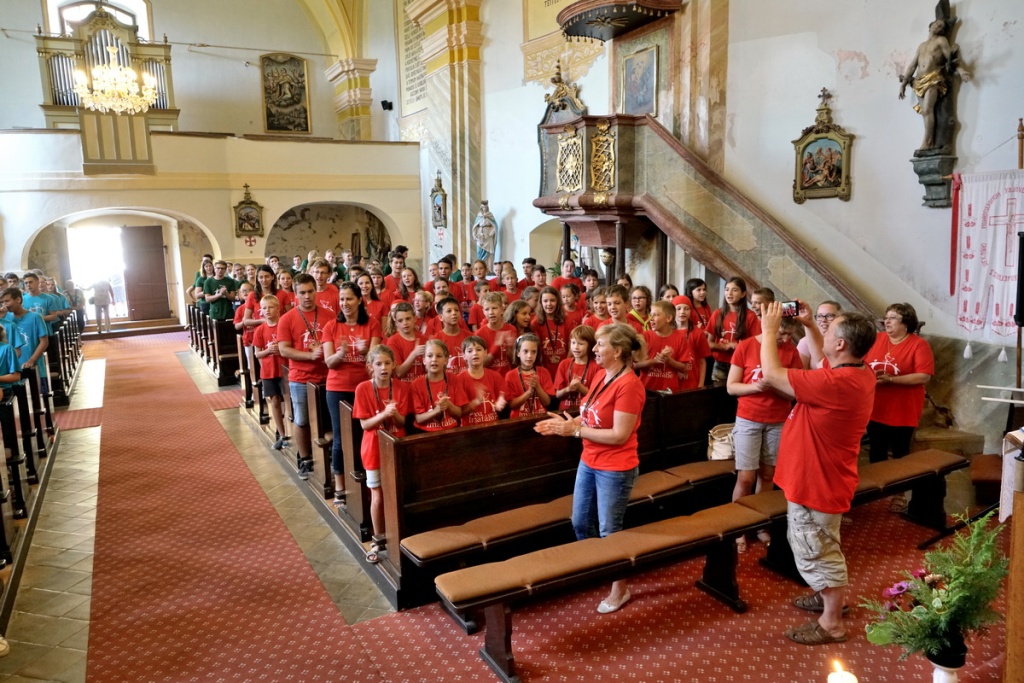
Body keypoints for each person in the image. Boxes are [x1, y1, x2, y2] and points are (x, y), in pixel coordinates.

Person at [756, 301, 877, 646]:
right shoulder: (857, 370)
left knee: (818, 550)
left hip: (817, 483)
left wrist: (768, 331)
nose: (824, 329)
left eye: (830, 327)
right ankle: (827, 598)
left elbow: (772, 375)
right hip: (819, 477)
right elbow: (823, 357)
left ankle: (832, 622)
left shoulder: (837, 383)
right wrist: (809, 324)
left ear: (841, 343)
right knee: (818, 544)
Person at [535, 323, 646, 614]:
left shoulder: (629, 385)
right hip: (590, 460)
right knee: (580, 522)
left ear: (617, 351)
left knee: (610, 529)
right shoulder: (601, 374)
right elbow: (590, 416)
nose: (594, 349)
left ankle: (620, 588)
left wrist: (573, 432)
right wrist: (566, 425)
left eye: (600, 344)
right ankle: (603, 566)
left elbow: (619, 435)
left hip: (616, 467)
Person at [726, 315, 803, 552]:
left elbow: (795, 392)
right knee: (746, 477)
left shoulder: (791, 352)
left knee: (768, 474)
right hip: (749, 418)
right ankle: (738, 527)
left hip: (778, 419)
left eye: (789, 335)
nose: (786, 339)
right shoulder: (746, 346)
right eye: (781, 333)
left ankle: (760, 523)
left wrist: (777, 386)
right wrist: (757, 386)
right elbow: (731, 387)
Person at [864, 303, 934, 510]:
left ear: (906, 323)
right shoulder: (877, 339)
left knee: (900, 453)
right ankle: (877, 488)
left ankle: (899, 493)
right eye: (886, 317)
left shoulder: (918, 345)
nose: (887, 321)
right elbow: (862, 363)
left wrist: (892, 380)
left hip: (903, 408)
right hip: (876, 406)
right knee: (876, 450)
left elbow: (924, 376)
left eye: (893, 318)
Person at [323, 282, 382, 501]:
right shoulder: (331, 326)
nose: (345, 303)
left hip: (365, 387)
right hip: (338, 387)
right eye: (341, 299)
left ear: (359, 300)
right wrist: (341, 354)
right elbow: (329, 362)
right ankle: (340, 486)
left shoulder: (372, 324)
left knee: (367, 434)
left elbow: (375, 360)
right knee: (340, 438)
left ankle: (368, 481)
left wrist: (366, 352)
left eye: (349, 298)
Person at [352, 345, 410, 562]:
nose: (383, 368)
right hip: (373, 448)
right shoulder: (363, 388)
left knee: (397, 492)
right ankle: (378, 539)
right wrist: (384, 414)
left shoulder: (401, 387)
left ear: (394, 365)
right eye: (379, 364)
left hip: (397, 445)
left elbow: (402, 422)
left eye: (387, 363)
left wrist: (394, 415)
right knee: (377, 493)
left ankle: (399, 537)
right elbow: (365, 424)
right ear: (371, 367)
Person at [276, 274, 329, 481]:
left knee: (328, 420)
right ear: (296, 295)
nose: (307, 296)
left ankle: (328, 457)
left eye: (310, 291)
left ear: (316, 291)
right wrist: (309, 356)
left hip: (327, 375)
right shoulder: (287, 318)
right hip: (300, 377)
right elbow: (284, 349)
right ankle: (305, 458)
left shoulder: (329, 315)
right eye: (302, 293)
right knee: (302, 419)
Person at [899, 18, 971, 152]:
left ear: (942, 31)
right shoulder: (921, 46)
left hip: (933, 78)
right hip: (919, 81)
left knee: (927, 110)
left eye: (941, 26)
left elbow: (950, 60)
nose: (938, 26)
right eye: (937, 23)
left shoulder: (941, 41)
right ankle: (929, 141)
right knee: (924, 113)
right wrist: (903, 84)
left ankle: (926, 143)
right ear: (931, 26)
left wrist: (961, 72)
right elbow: (912, 66)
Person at [706, 277, 760, 383]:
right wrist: (724, 346)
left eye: (734, 290)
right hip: (720, 363)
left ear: (743, 294)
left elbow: (756, 344)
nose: (729, 293)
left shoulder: (750, 316)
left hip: (741, 364)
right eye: (727, 289)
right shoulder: (717, 314)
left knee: (737, 392)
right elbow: (708, 343)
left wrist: (737, 346)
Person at [252, 295, 288, 450]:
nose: (267, 310)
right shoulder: (260, 330)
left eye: (271, 307)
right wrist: (268, 351)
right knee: (275, 401)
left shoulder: (284, 326)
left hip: (285, 369)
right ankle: (281, 434)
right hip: (268, 370)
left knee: (288, 402)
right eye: (264, 308)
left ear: (278, 308)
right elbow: (257, 353)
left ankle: (290, 433)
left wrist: (281, 349)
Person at [636, 300, 694, 394]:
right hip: (646, 391)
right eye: (651, 315)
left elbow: (684, 368)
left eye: (655, 315)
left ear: (669, 318)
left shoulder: (680, 338)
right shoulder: (645, 337)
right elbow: (634, 365)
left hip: (670, 393)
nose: (651, 319)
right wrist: (654, 361)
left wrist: (669, 361)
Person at [411, 339, 465, 431]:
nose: (434, 359)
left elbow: (459, 414)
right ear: (424, 360)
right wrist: (437, 410)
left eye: (439, 356)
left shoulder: (454, 379)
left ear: (446, 360)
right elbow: (419, 419)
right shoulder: (416, 384)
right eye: (430, 356)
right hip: (424, 433)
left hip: (451, 431)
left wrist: (449, 405)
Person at [456, 336, 507, 425]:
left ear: (485, 353)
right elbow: (459, 413)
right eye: (470, 351)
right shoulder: (459, 380)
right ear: (464, 356)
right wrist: (477, 401)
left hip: (493, 426)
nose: (475, 353)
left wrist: (501, 400)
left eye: (479, 349)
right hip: (469, 429)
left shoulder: (495, 376)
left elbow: (503, 396)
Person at [505, 333, 554, 418]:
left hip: (541, 418)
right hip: (518, 420)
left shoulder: (543, 372)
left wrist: (537, 387)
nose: (529, 356)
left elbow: (547, 403)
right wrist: (528, 392)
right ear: (518, 353)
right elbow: (511, 405)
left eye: (533, 352)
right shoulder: (510, 375)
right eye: (525, 351)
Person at [553, 324, 598, 411]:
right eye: (573, 343)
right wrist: (568, 389)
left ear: (590, 345)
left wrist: (580, 388)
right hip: (565, 411)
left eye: (580, 344)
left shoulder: (596, 366)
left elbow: (597, 397)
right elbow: (558, 395)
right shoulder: (564, 364)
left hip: (586, 411)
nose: (576, 347)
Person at [531, 286, 571, 377]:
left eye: (552, 300)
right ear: (541, 303)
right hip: (543, 367)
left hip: (563, 366)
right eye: (545, 301)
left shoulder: (566, 320)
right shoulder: (535, 323)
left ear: (558, 302)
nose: (549, 304)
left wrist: (565, 366)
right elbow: (535, 348)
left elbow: (571, 345)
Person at [386, 302, 427, 384]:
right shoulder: (393, 341)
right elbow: (399, 373)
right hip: (403, 386)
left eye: (408, 319)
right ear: (396, 323)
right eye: (400, 320)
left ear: (415, 319)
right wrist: (414, 354)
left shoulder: (424, 340)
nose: (405, 323)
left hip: (422, 386)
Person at [475, 292, 516, 375]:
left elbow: (514, 362)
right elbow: (481, 364)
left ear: (502, 309)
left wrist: (510, 348)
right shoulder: (479, 334)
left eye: (494, 308)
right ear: (483, 312)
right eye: (487, 309)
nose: (491, 312)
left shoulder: (511, 329)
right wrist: (496, 346)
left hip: (508, 376)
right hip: (490, 377)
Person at [797, 301, 840, 368]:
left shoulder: (844, 341)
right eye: (819, 316)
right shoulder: (805, 342)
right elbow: (799, 371)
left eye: (829, 316)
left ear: (840, 318)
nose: (823, 320)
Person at [472, 200, 497, 271]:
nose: (484, 208)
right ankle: (480, 268)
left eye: (485, 207)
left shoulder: (490, 215)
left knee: (489, 253)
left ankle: (489, 269)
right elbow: (475, 226)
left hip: (488, 236)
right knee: (480, 252)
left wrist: (491, 233)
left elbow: (494, 226)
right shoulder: (479, 216)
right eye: (483, 207)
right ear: (481, 208)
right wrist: (475, 235)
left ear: (487, 207)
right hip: (480, 236)